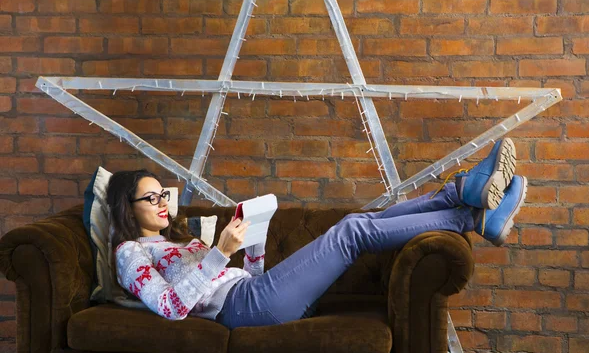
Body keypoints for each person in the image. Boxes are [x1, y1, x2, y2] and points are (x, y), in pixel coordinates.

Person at [107, 138, 526, 328]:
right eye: (150, 198)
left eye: (163, 192)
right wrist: (217, 254)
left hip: (254, 295)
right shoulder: (130, 254)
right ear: (128, 207)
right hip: (242, 310)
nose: (163, 201)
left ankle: (460, 194)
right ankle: (467, 215)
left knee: (352, 225)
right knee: (352, 233)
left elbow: (246, 278)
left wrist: (252, 244)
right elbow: (171, 308)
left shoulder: (177, 239)